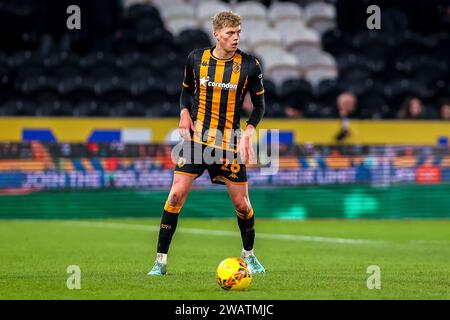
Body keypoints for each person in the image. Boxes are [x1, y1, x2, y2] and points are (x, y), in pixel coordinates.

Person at [148, 11, 266, 276]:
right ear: (217, 35)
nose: (235, 38)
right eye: (229, 34)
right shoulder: (195, 59)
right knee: (175, 195)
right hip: (196, 141)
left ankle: (249, 256)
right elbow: (186, 92)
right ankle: (160, 261)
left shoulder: (249, 65)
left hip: (229, 143)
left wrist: (249, 130)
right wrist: (183, 112)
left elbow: (259, 105)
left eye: (238, 33)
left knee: (242, 206)